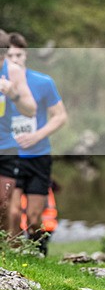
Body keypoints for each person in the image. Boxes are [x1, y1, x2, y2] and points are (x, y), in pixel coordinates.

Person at [3, 33, 67, 255]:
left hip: (38, 155)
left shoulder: (43, 82)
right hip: (11, 155)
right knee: (11, 212)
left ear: (26, 55)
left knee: (34, 217)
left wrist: (37, 135)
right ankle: (11, 255)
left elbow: (60, 116)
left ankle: (39, 249)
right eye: (9, 55)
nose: (14, 59)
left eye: (18, 54)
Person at [0, 29, 36, 236]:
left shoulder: (13, 72)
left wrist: (13, 94)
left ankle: (3, 253)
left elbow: (31, 110)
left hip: (6, 146)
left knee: (3, 204)